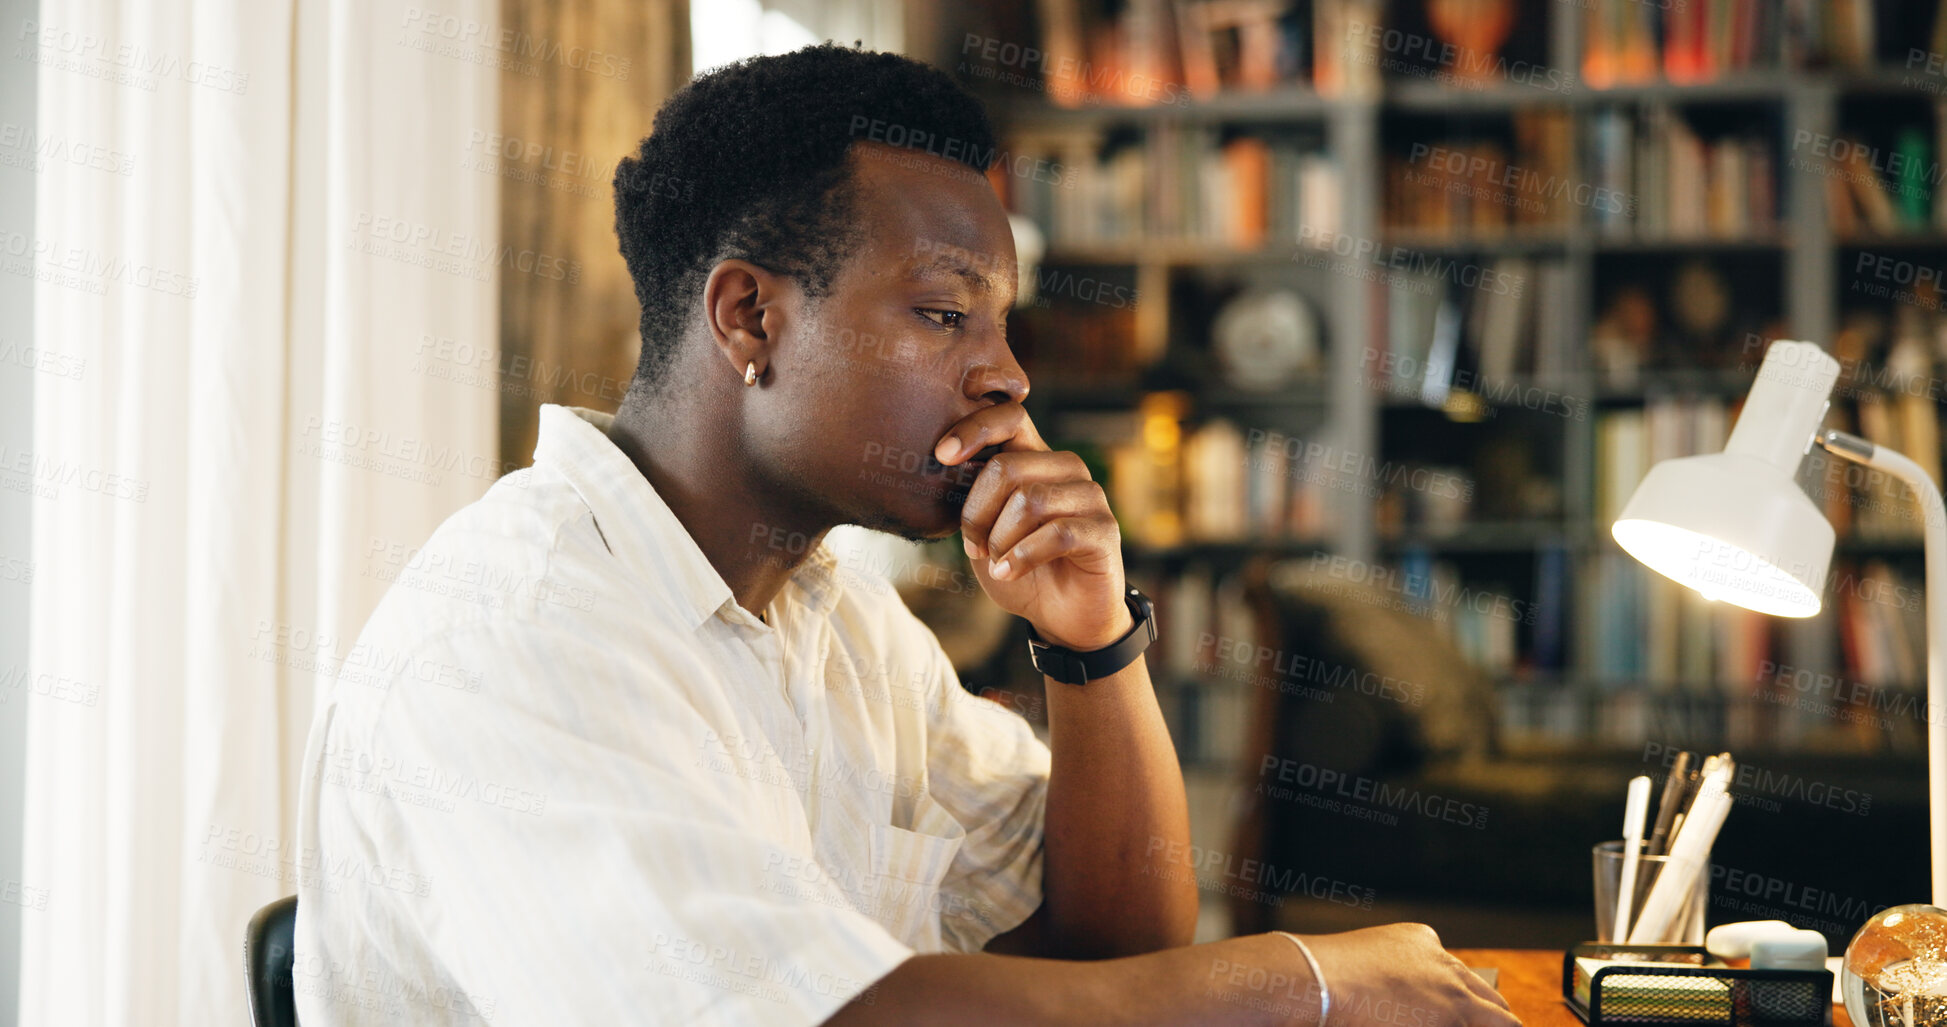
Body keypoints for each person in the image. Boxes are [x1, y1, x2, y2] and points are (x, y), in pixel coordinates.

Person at [292, 41, 1519, 1027]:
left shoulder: (837, 614)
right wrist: (1295, 982)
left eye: (1003, 324)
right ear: (748, 318)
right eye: (945, 314)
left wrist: (1091, 647)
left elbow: (1117, 941)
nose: (1007, 378)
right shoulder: (518, 639)